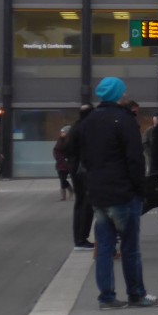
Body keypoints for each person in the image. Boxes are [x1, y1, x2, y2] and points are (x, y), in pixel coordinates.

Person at [78, 76, 158, 310]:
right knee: (130, 246)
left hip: (98, 193)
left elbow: (82, 155)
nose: (126, 94)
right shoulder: (125, 120)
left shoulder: (89, 121)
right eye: (123, 91)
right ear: (119, 94)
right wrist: (140, 189)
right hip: (123, 192)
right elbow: (134, 160)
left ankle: (106, 297)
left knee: (104, 247)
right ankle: (136, 294)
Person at [65, 104, 95, 251]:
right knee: (86, 204)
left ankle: (79, 238)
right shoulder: (85, 129)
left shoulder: (74, 128)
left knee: (79, 203)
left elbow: (67, 148)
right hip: (82, 170)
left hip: (75, 168)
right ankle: (82, 239)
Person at [53, 125, 73, 200]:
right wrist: (60, 159)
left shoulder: (71, 141)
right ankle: (67, 193)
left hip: (68, 163)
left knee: (64, 179)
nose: (62, 133)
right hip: (61, 163)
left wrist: (68, 159)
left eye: (63, 132)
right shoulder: (60, 141)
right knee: (62, 179)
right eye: (61, 132)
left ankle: (67, 194)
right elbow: (56, 150)